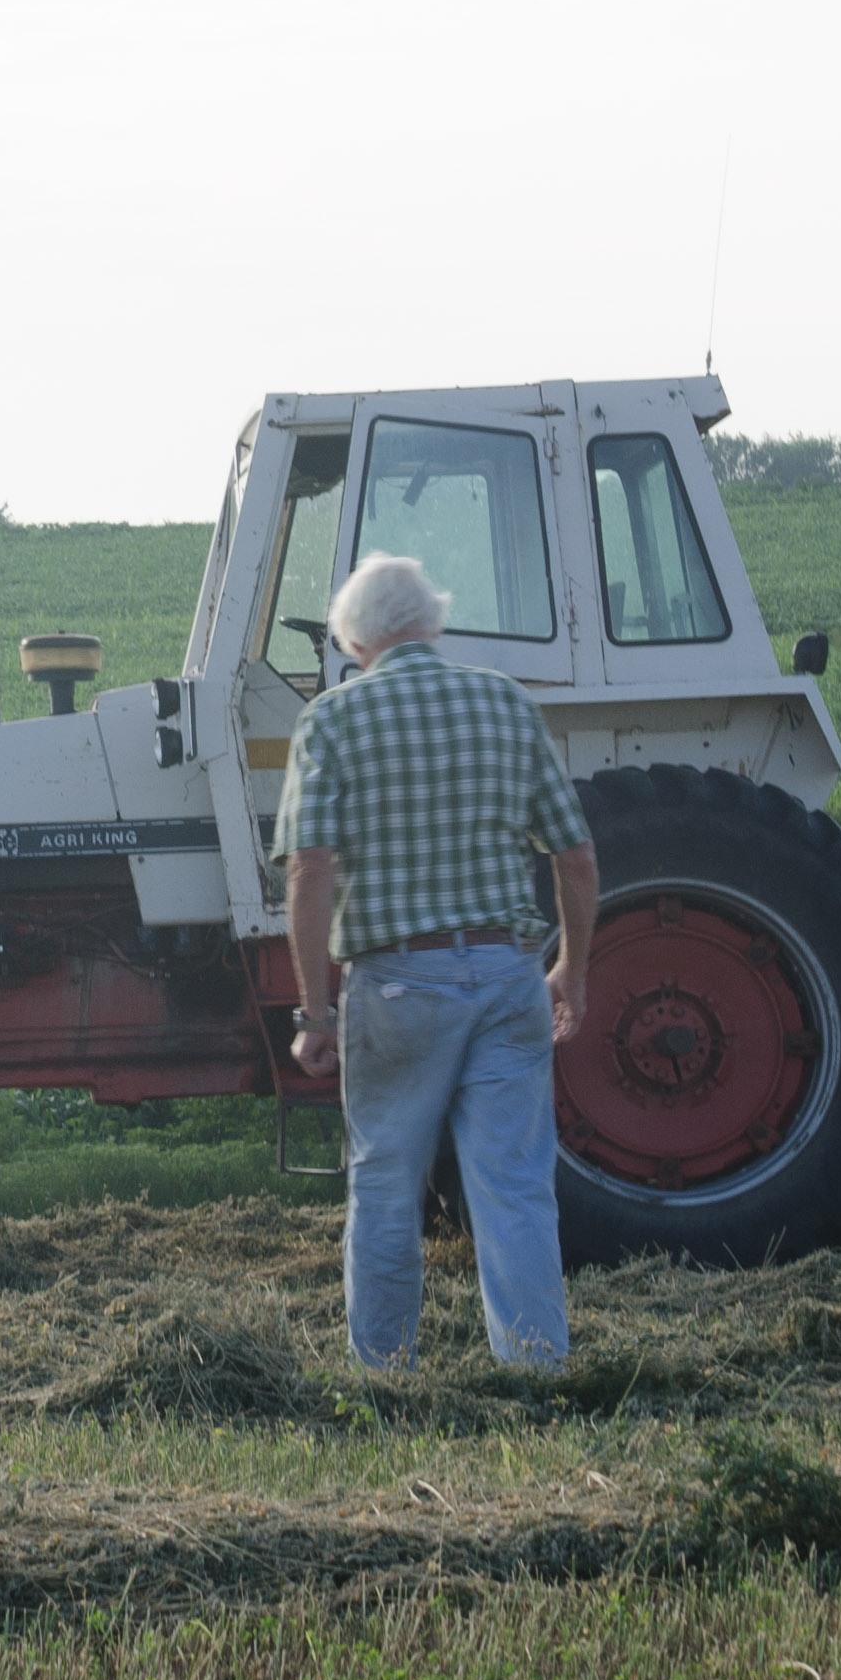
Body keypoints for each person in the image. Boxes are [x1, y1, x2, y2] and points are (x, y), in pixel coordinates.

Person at [278, 551, 599, 1370]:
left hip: (398, 984)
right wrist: (572, 970)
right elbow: (576, 856)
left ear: (355, 642)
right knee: (516, 1188)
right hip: (507, 975)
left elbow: (309, 869)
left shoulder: (334, 721)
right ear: (432, 622)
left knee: (386, 1185)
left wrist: (315, 1012)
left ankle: (385, 1378)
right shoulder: (505, 704)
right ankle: (536, 1371)